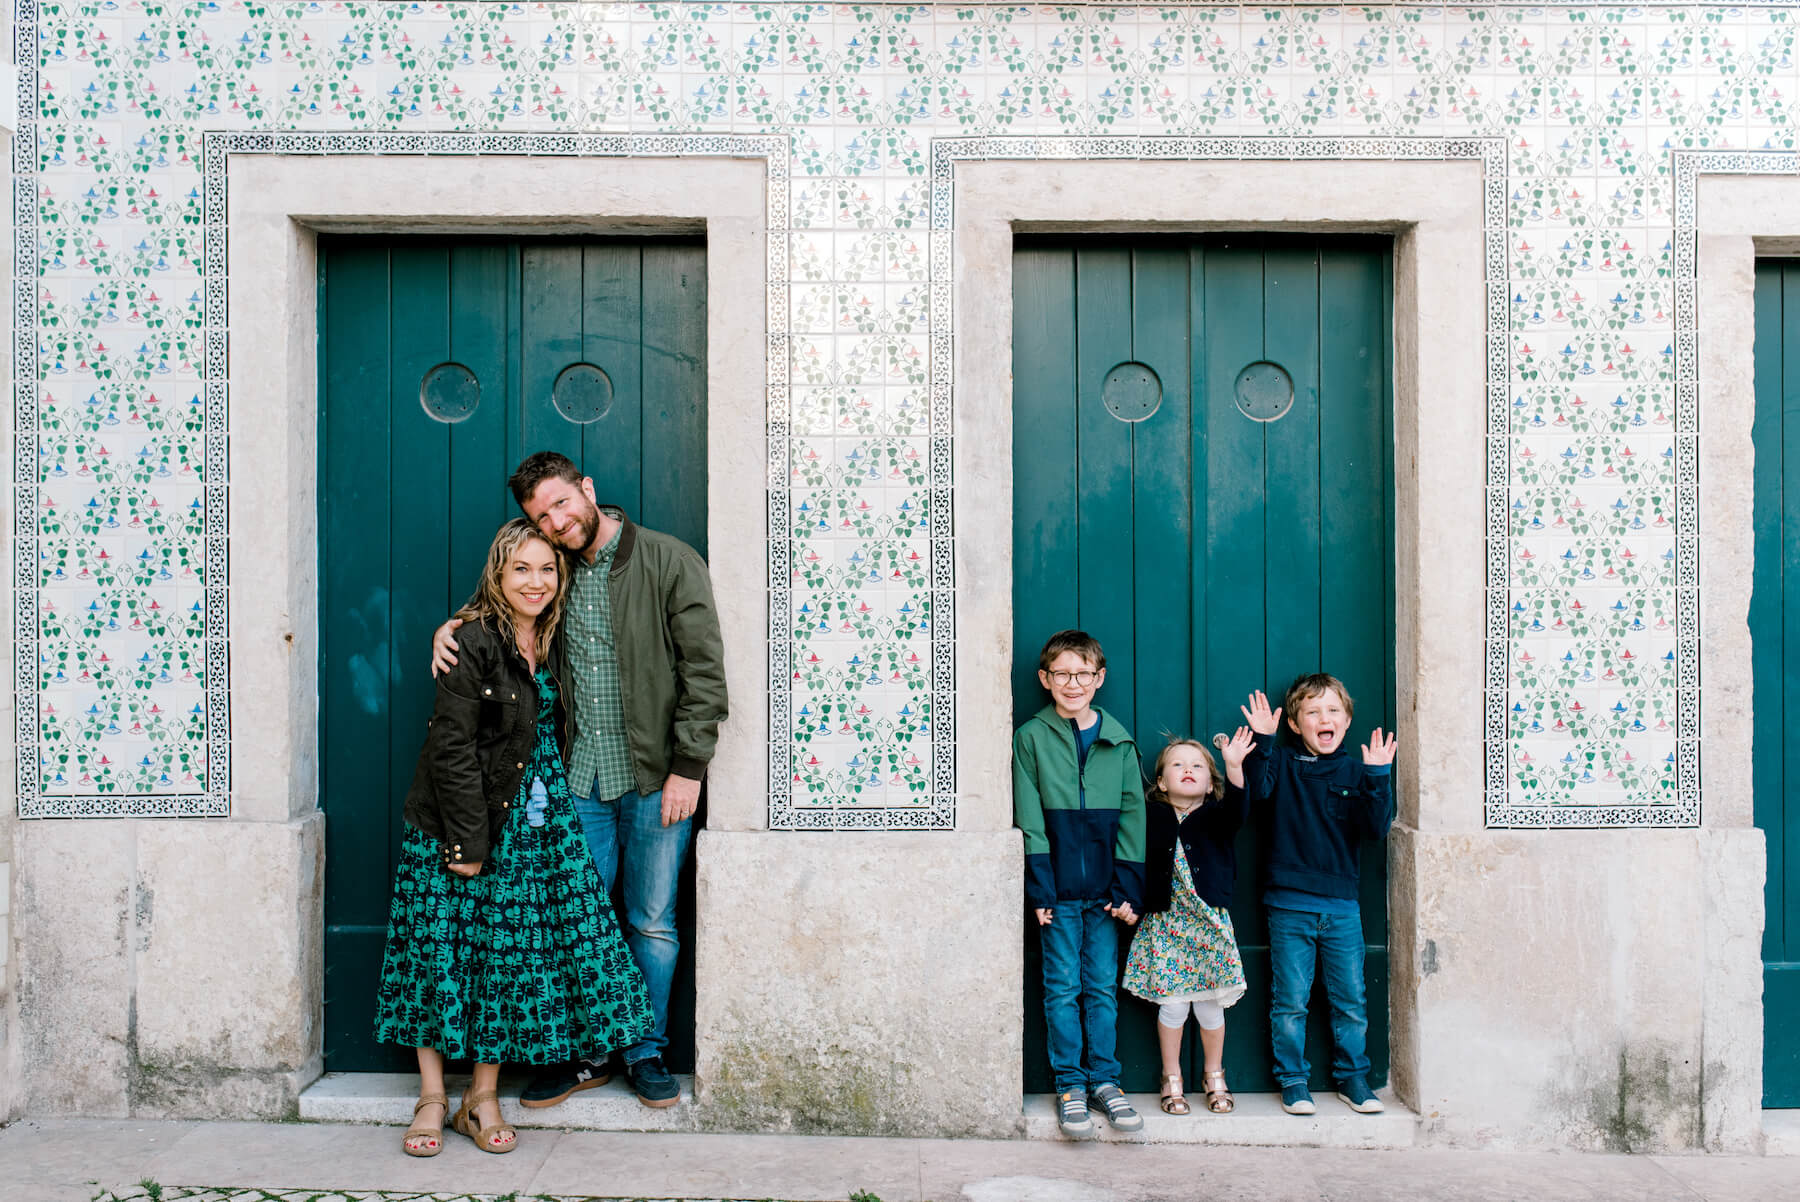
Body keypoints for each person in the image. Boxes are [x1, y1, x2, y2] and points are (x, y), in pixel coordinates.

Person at [432, 452, 727, 1110]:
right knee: (579, 919)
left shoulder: (668, 560)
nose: (557, 521)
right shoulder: (554, 567)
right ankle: (590, 1052)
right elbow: (508, 611)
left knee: (651, 922)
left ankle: (645, 1050)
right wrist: (449, 630)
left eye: (563, 503)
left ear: (587, 490)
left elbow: (705, 673)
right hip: (579, 782)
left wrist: (689, 768)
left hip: (656, 780)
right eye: (542, 515)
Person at [374, 518, 654, 1157]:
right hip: (460, 824)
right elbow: (449, 747)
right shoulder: (472, 641)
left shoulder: (555, 639)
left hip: (534, 829)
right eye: (521, 569)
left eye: (547, 569)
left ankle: (483, 1095)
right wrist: (470, 843)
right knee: (438, 955)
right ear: (499, 575)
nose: (536, 581)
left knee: (506, 963)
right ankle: (431, 1097)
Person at [1240, 675, 1397, 1117]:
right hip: (1289, 904)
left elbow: (1375, 829)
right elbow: (1257, 792)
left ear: (1346, 721)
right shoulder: (1284, 764)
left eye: (1332, 711)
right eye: (1312, 712)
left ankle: (1353, 1078)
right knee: (1290, 1000)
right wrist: (1264, 742)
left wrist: (1379, 776)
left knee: (1351, 1000)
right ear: (1295, 722)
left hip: (1342, 907)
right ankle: (1293, 1080)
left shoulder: (1356, 770)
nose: (1323, 719)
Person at [1012, 629, 1147, 1139]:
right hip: (1059, 893)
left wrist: (1127, 888)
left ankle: (1104, 1081)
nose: (1073, 683)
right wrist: (1041, 888)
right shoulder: (1031, 738)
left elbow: (1133, 817)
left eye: (1083, 674)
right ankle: (1070, 1084)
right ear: (1046, 679)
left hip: (1107, 896)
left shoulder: (1119, 740)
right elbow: (1030, 818)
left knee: (1100, 989)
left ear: (1099, 678)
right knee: (1062, 989)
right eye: (1062, 674)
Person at [1122, 729, 1254, 1116]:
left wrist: (1233, 765)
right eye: (1177, 765)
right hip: (1165, 924)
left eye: (1197, 766)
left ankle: (1214, 1074)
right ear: (1161, 782)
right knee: (1174, 1006)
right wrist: (1128, 900)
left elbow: (1239, 808)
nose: (1188, 770)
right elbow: (1131, 861)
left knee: (1211, 1006)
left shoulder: (1218, 816)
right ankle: (1171, 1076)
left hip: (1207, 925)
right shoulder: (1150, 817)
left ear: (1210, 782)